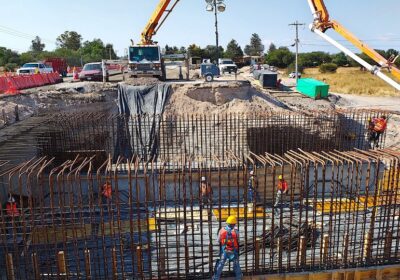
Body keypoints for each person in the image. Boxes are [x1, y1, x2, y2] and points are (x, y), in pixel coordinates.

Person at [213, 215, 242, 280]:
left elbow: (218, 241)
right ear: (234, 223)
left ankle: (216, 277)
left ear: (227, 223)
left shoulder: (221, 230)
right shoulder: (236, 231)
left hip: (225, 251)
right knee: (236, 265)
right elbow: (238, 241)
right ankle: (239, 277)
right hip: (233, 251)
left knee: (220, 264)